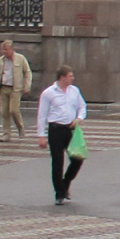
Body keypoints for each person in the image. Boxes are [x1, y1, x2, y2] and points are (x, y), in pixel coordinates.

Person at [37, 66, 87, 204]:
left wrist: (79, 118)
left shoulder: (74, 90)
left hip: (70, 129)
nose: (73, 78)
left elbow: (82, 106)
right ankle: (59, 193)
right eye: (70, 76)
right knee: (58, 161)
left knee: (77, 159)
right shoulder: (48, 93)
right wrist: (41, 136)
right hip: (56, 129)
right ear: (62, 77)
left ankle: (65, 183)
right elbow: (42, 115)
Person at [0, 39, 32, 138]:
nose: (4, 52)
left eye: (6, 49)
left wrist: (27, 86)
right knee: (4, 112)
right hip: (3, 88)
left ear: (11, 49)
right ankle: (7, 133)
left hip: (15, 89)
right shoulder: (0, 61)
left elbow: (27, 72)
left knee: (13, 110)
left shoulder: (20, 59)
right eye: (2, 50)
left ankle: (20, 127)